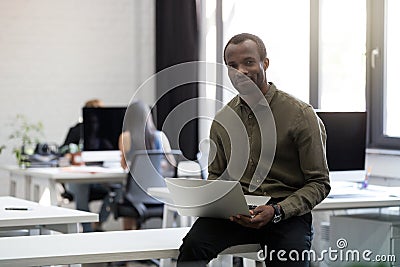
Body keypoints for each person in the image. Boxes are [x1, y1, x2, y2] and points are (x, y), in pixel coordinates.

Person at [177, 33, 331, 266]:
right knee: (191, 249)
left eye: (248, 62)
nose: (241, 71)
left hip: (284, 214)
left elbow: (319, 182)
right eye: (233, 66)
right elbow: (216, 176)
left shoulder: (301, 115)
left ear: (264, 63)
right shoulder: (222, 120)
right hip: (236, 214)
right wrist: (221, 203)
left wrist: (277, 211)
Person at [118, 100, 173, 230]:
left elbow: (124, 166)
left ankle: (128, 238)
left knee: (123, 194)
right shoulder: (161, 137)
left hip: (134, 195)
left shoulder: (125, 137)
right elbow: (172, 164)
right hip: (159, 195)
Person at [62, 98, 112, 232]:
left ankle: (99, 222)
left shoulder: (105, 136)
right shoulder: (76, 131)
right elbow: (63, 152)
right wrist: (72, 155)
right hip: (79, 178)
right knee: (81, 187)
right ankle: (88, 231)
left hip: (100, 178)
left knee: (118, 189)